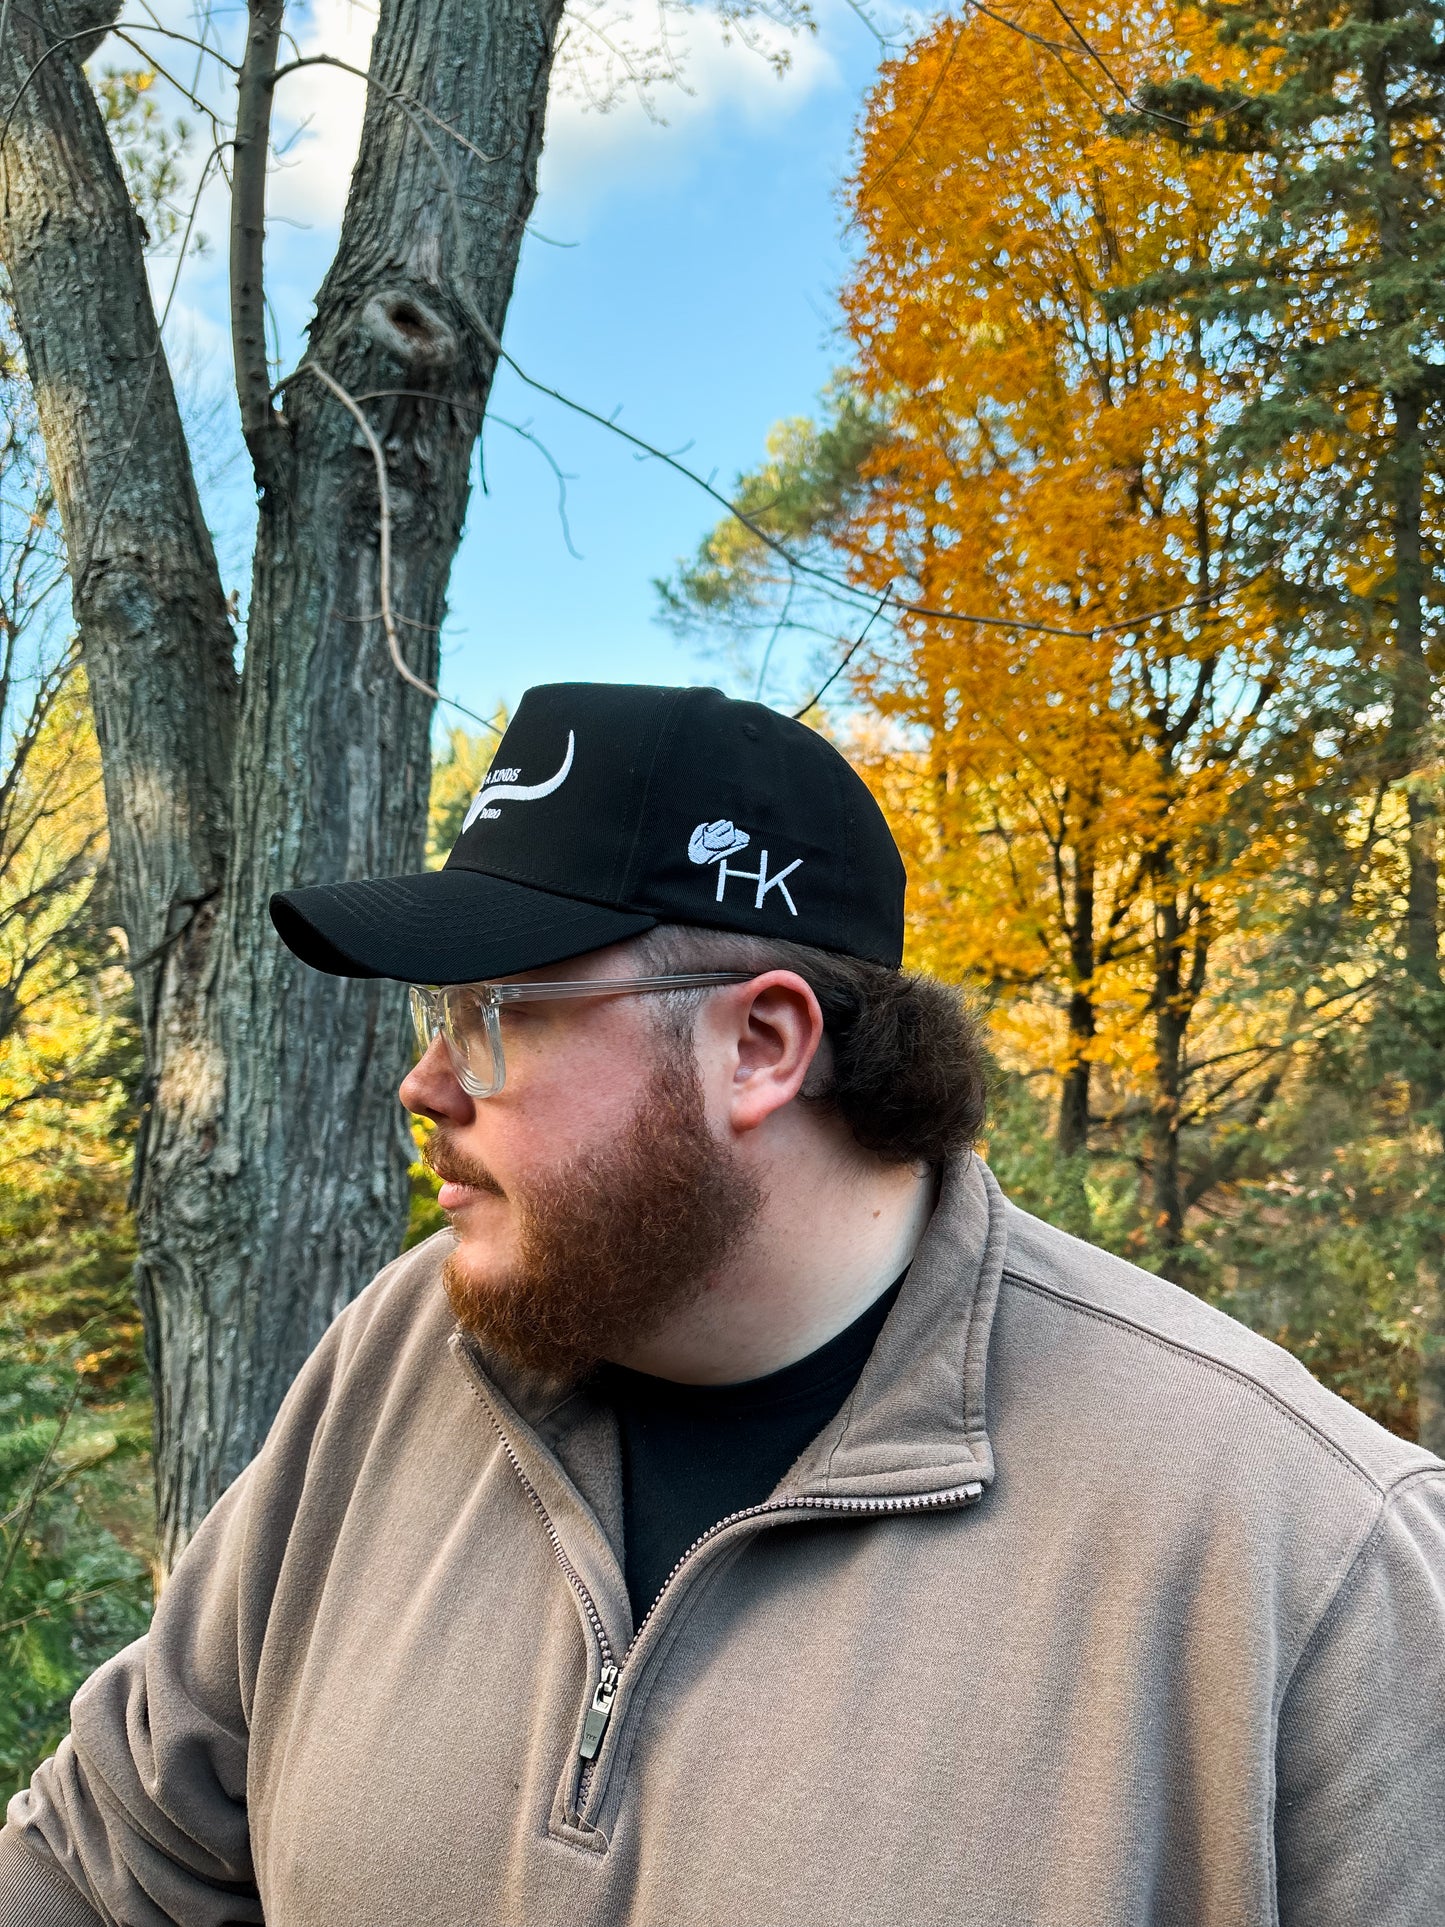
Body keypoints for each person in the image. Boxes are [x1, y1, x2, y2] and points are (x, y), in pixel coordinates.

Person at [2, 680, 1442, 1927]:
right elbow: (109, 1863)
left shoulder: (1301, 1552)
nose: (425, 1086)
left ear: (760, 1043)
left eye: (495, 1018)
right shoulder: (404, 1355)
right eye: (431, 1021)